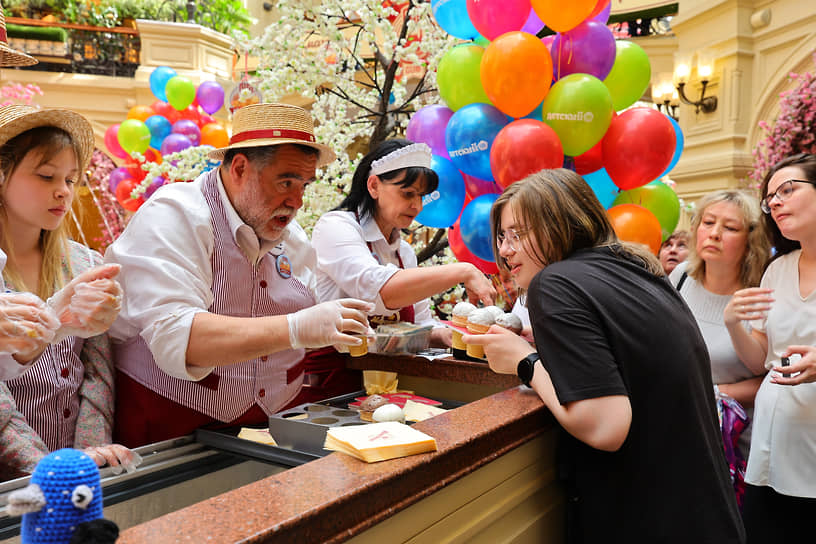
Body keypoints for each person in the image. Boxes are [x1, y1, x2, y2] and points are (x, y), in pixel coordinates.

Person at [463, 169, 745, 543]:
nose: (505, 250)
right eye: (502, 236)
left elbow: (605, 426)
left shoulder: (556, 282)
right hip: (705, 517)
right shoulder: (638, 269)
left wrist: (524, 362)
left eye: (520, 234)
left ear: (562, 223)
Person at [105, 103, 372, 448]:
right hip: (171, 430)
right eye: (286, 182)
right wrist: (296, 327)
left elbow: (313, 309)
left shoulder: (292, 240)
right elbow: (179, 336)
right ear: (240, 168)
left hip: (266, 431)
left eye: (304, 185)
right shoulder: (175, 215)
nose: (297, 202)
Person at [0, 105, 135, 478]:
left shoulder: (82, 261)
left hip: (75, 472)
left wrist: (86, 454)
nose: (62, 192)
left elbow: (96, 372)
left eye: (71, 179)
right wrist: (44, 466)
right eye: (46, 176)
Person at [311, 139, 495, 347]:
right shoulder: (336, 227)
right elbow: (377, 291)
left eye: (421, 196)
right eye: (407, 193)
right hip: (336, 373)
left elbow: (421, 323)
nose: (417, 206)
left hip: (390, 374)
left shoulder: (404, 252)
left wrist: (446, 336)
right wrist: (464, 271)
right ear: (373, 186)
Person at [725, 153, 816, 541]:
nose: (775, 201)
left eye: (788, 190)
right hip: (770, 446)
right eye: (770, 197)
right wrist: (733, 323)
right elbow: (760, 358)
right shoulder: (778, 269)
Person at [669, 191, 769, 457]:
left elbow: (770, 378)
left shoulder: (761, 292)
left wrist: (711, 394)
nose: (714, 233)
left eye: (730, 228)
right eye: (708, 222)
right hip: (680, 430)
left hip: (735, 442)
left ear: (750, 241)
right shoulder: (681, 277)